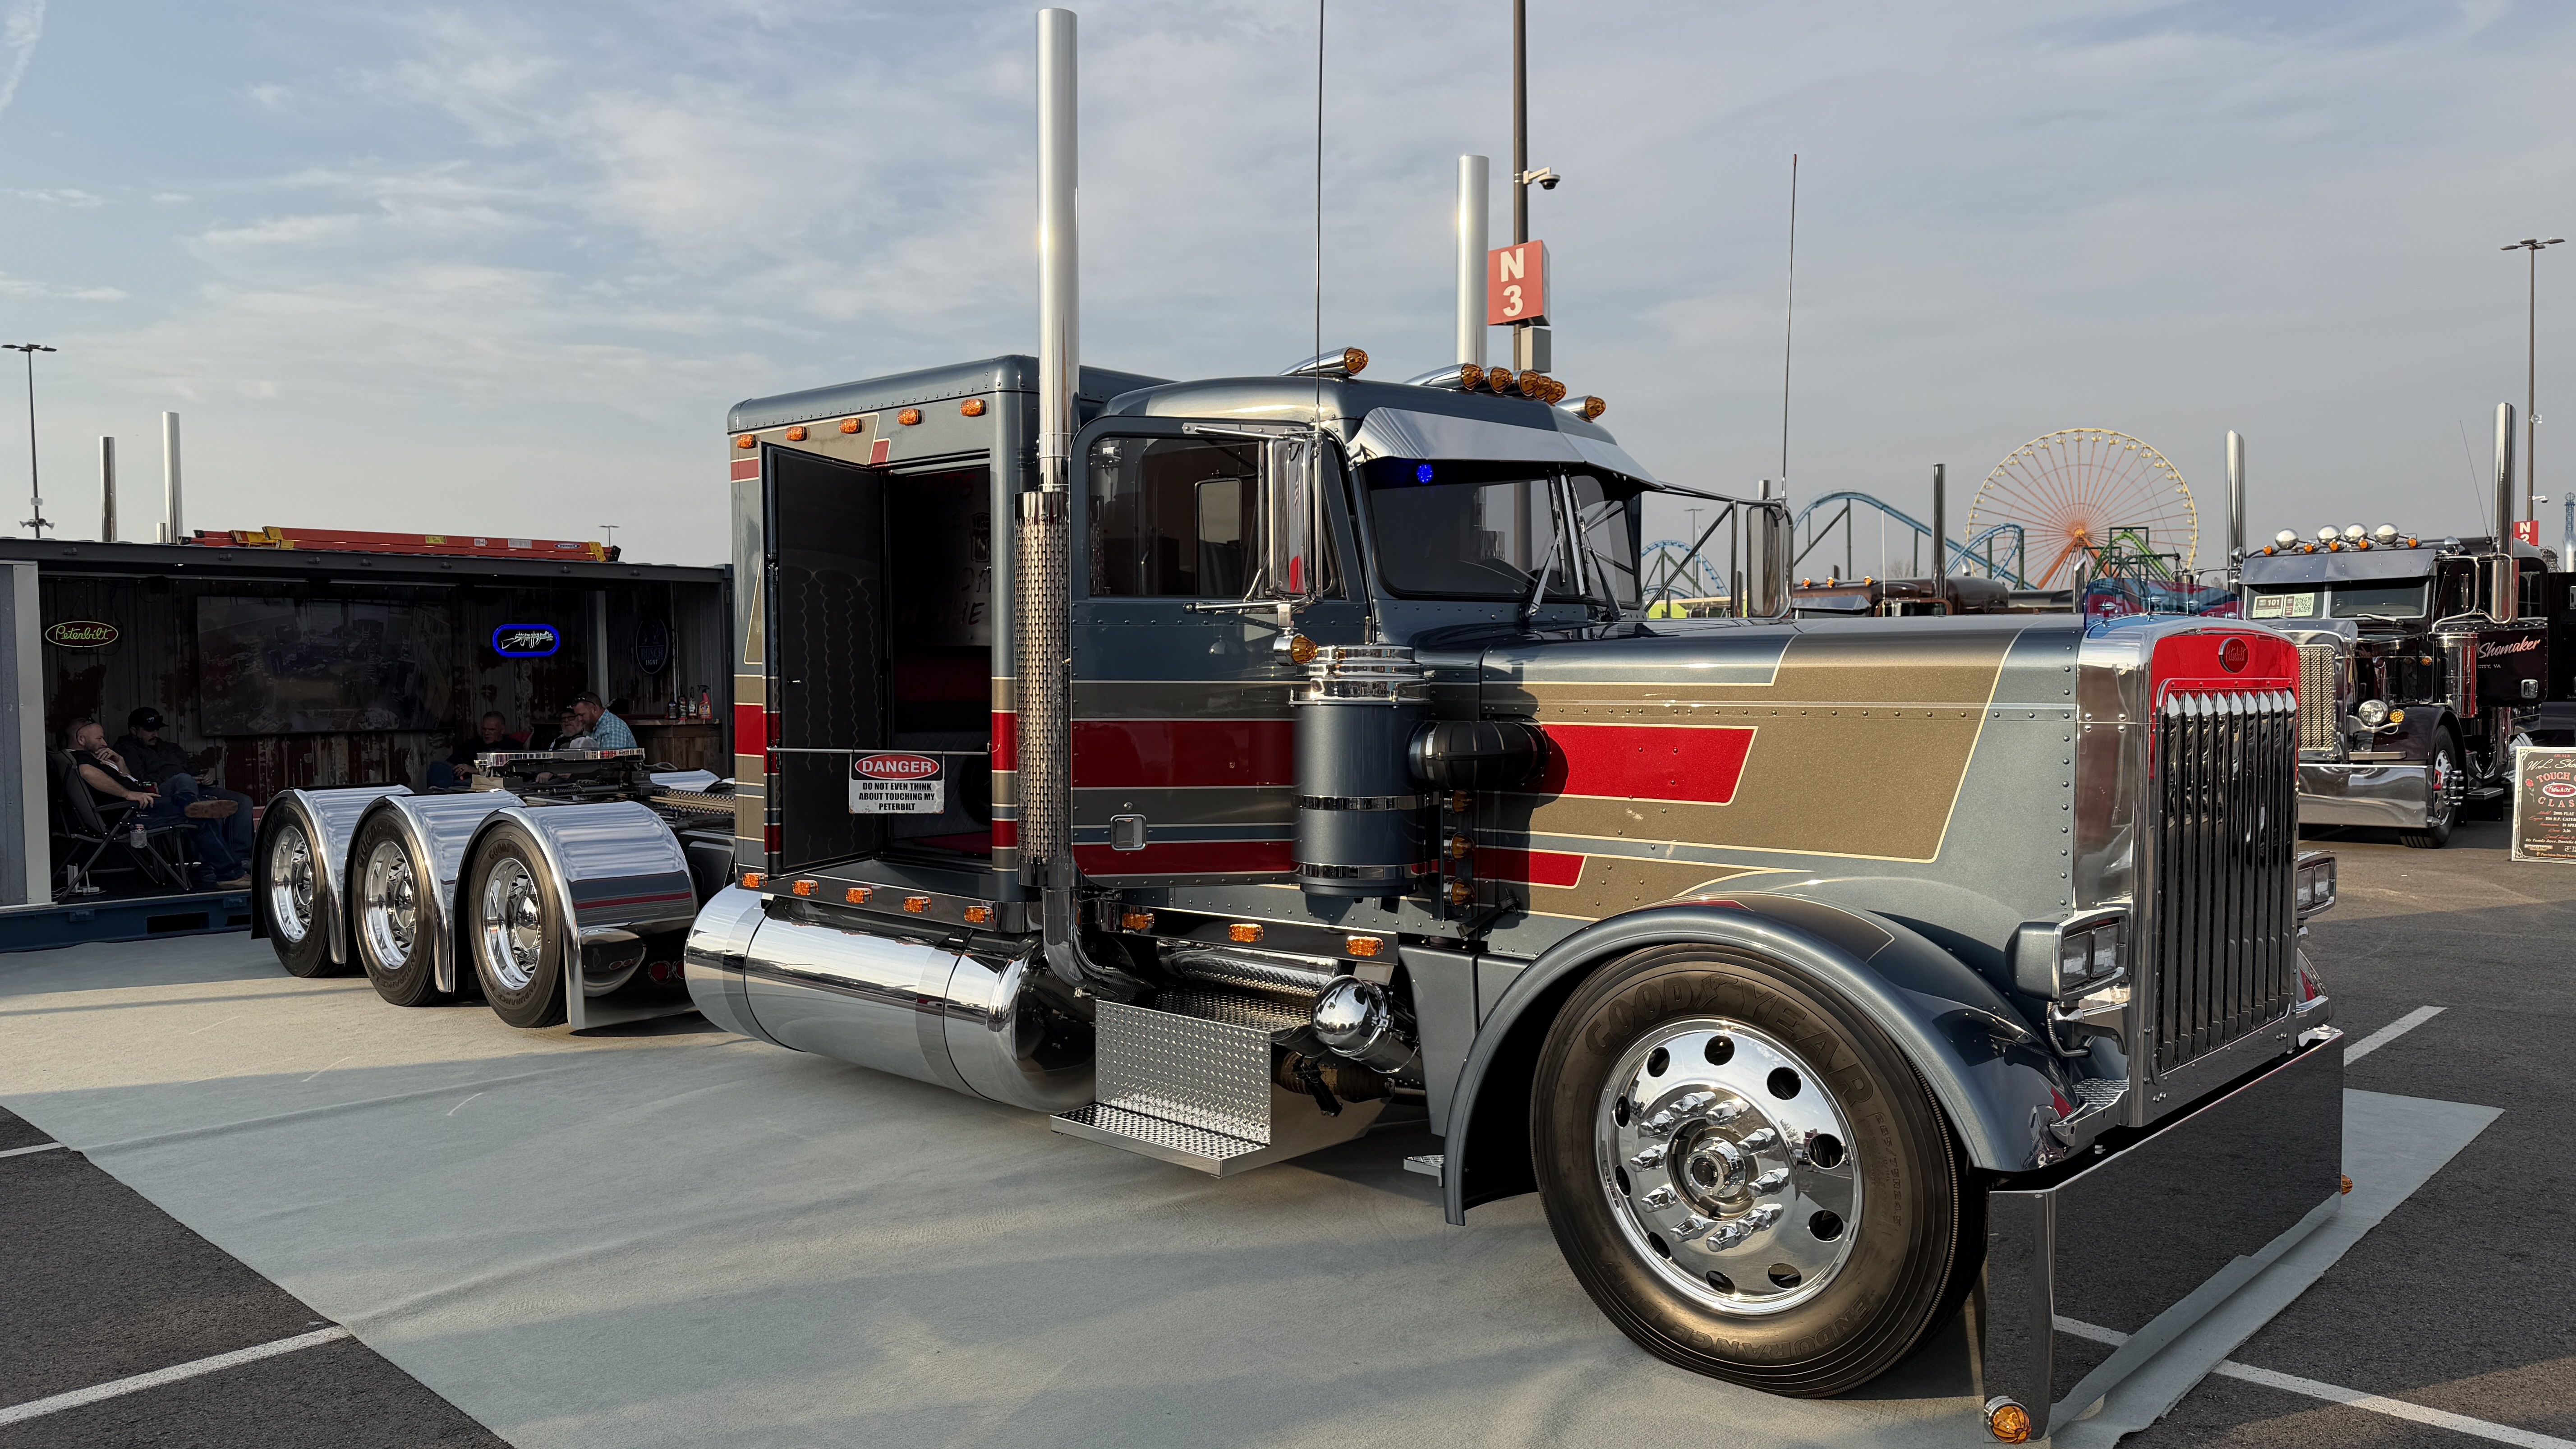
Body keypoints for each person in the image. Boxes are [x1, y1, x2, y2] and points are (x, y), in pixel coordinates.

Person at [65, 719, 250, 890]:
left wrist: (119, 762)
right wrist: (127, 793)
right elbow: (88, 773)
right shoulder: (82, 760)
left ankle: (194, 804)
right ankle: (230, 875)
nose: (105, 742)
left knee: (188, 787)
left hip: (138, 807)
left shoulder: (82, 759)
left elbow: (131, 780)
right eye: (99, 738)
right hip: (130, 816)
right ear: (81, 740)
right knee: (202, 818)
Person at [115, 708, 258, 858]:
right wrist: (184, 778)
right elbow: (139, 779)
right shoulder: (126, 749)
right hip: (162, 794)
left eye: (157, 730)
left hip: (195, 787)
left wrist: (204, 775)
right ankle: (197, 813)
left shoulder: (169, 747)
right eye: (150, 730)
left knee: (243, 801)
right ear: (133, 730)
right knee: (185, 780)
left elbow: (192, 766)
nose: (156, 734)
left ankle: (242, 858)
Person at [428, 712, 520, 789]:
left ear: (502, 730)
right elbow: (452, 761)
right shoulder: (473, 744)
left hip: (496, 785)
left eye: (492, 730)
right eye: (484, 729)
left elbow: (511, 772)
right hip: (466, 785)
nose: (487, 733)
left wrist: (476, 770)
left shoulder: (512, 746)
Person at [567, 691, 637, 751]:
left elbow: (611, 764)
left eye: (582, 715)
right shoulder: (590, 725)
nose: (579, 719)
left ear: (595, 710)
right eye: (577, 715)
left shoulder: (613, 729)